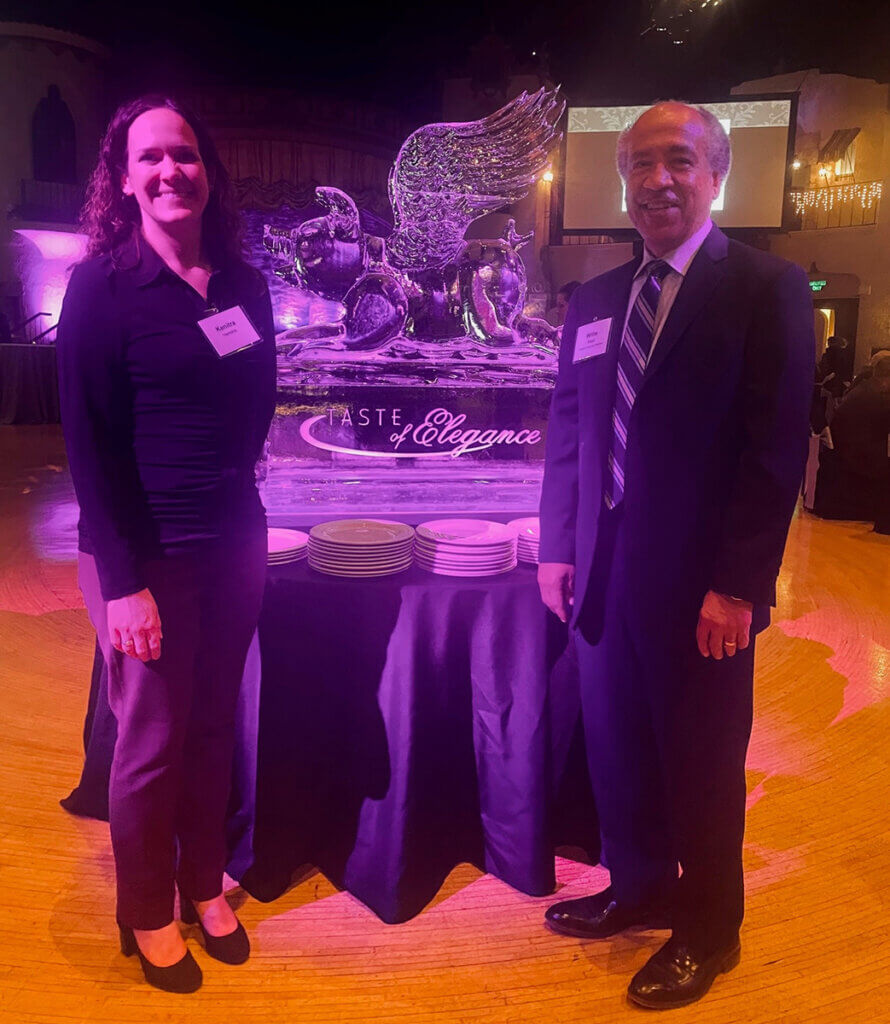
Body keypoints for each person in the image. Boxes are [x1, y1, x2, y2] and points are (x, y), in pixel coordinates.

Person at [537, 102, 814, 1009]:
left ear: (715, 175)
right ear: (623, 181)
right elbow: (571, 434)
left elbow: (774, 451)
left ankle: (710, 930)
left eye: (679, 162)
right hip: (604, 580)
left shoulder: (765, 288)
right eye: (642, 164)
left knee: (701, 762)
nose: (658, 179)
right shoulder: (596, 299)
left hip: (705, 590)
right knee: (619, 750)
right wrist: (557, 549)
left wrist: (738, 585)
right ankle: (642, 883)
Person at [56, 95, 276, 993]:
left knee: (216, 724)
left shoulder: (243, 284)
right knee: (150, 741)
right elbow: (88, 443)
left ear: (207, 169)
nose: (169, 172)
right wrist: (120, 582)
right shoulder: (102, 287)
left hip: (234, 546)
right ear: (124, 178)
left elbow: (259, 402)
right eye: (148, 158)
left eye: (183, 155)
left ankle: (201, 880)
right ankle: (147, 908)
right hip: (141, 555)